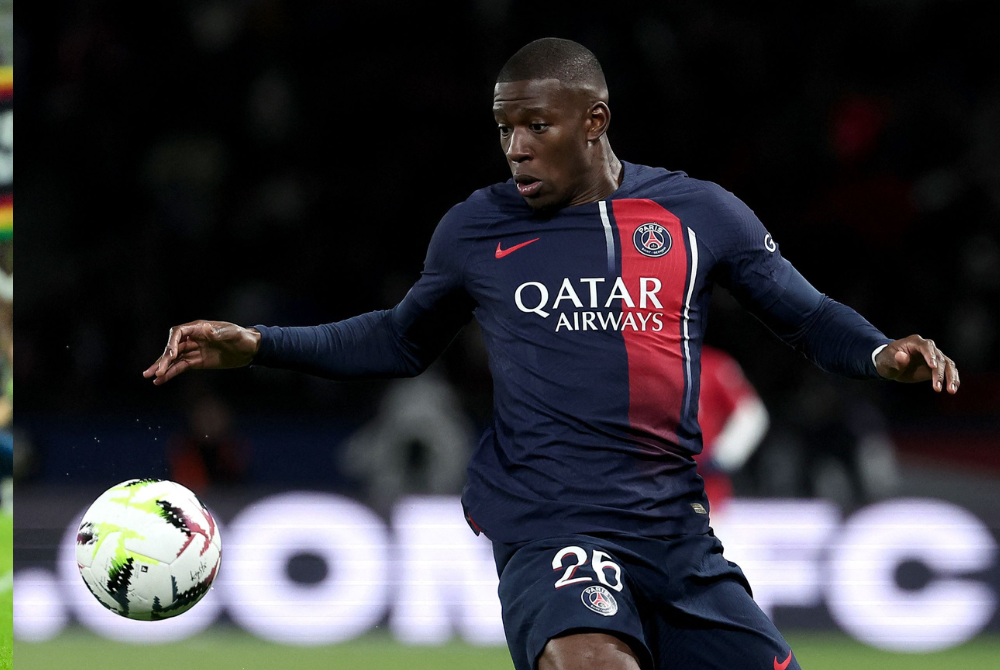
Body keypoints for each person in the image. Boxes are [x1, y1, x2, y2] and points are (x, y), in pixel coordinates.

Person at [144, 38, 959, 670]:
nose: (517, 148)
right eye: (504, 129)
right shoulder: (478, 227)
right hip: (549, 520)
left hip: (673, 532)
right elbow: (399, 339)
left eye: (538, 126)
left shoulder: (696, 214)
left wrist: (882, 351)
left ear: (595, 120)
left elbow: (806, 315)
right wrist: (258, 346)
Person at [694, 345, 770, 511]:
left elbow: (751, 413)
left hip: (703, 490)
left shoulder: (712, 365)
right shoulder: (640, 364)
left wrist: (723, 455)